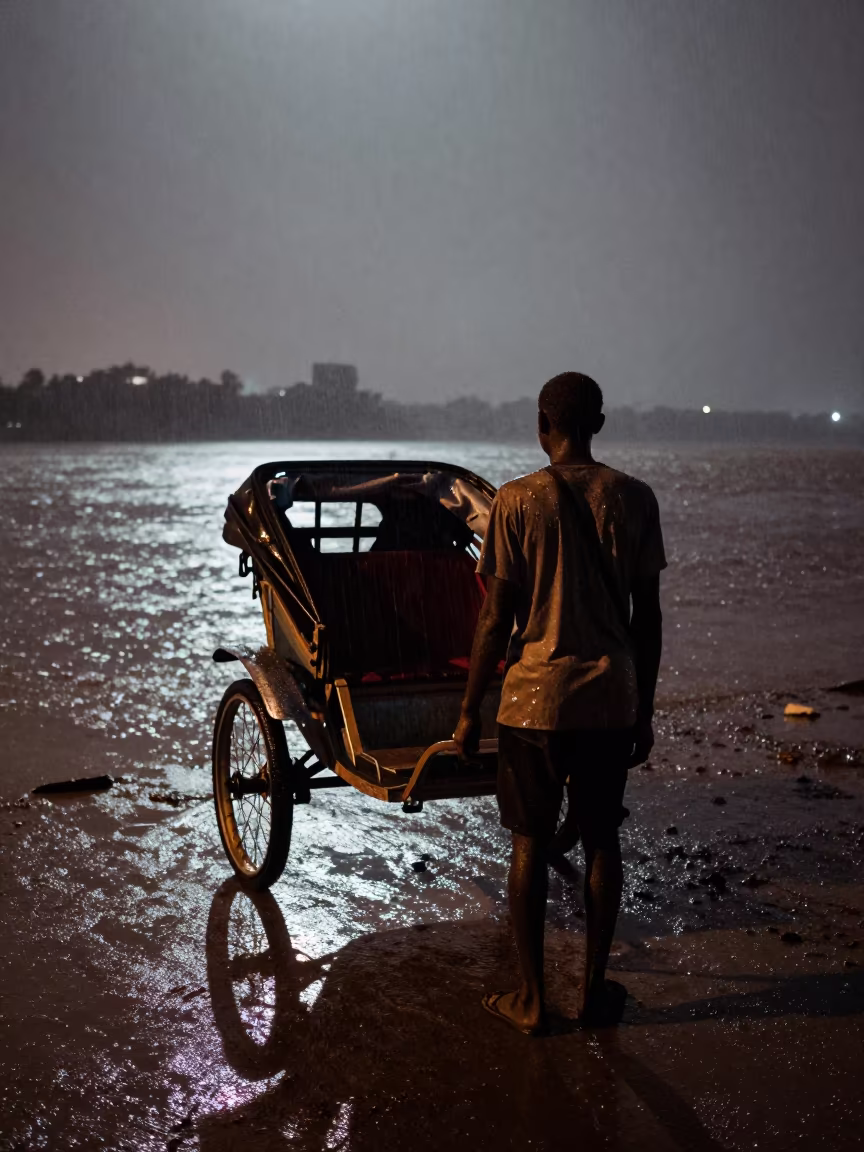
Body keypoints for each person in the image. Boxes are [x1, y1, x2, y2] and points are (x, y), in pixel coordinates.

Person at [453, 372, 665, 1035]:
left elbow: (495, 620)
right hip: (609, 702)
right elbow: (649, 620)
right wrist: (644, 707)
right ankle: (593, 993)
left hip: (532, 706)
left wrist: (468, 710)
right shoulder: (634, 498)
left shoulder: (515, 502)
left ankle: (532, 998)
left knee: (528, 843)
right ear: (599, 424)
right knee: (603, 843)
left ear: (541, 424)